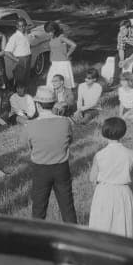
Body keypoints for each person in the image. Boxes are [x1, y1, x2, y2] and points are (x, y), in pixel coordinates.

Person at [24, 86, 78, 223]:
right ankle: (73, 237)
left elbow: (29, 146)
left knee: (38, 208)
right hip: (61, 167)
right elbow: (70, 140)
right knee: (67, 206)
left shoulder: (29, 126)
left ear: (37, 104)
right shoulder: (65, 122)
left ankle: (36, 239)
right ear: (54, 104)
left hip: (40, 168)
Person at [88, 117, 133, 238]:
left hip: (104, 192)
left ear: (104, 132)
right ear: (123, 132)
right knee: (123, 223)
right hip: (123, 192)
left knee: (103, 224)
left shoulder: (100, 155)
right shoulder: (132, 154)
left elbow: (92, 178)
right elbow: (130, 175)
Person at [4, 18, 34, 91]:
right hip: (20, 60)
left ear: (26, 26)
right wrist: (17, 60)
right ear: (17, 26)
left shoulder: (26, 35)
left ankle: (25, 94)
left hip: (28, 58)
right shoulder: (14, 37)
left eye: (23, 26)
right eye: (20, 26)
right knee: (19, 80)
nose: (22, 28)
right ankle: (17, 95)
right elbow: (7, 52)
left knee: (26, 78)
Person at [46, 21, 78, 89]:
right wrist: (50, 58)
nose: (49, 33)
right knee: (51, 80)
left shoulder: (61, 37)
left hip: (62, 63)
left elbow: (73, 45)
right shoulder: (52, 38)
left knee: (64, 80)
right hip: (54, 62)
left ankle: (65, 95)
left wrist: (67, 54)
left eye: (50, 31)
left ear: (55, 30)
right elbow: (52, 49)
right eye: (47, 32)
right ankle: (53, 95)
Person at [113, 19, 132, 87]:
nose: (122, 31)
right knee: (117, 57)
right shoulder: (120, 34)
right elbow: (121, 48)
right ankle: (115, 81)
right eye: (120, 29)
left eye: (123, 29)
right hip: (128, 46)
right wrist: (121, 59)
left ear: (129, 28)